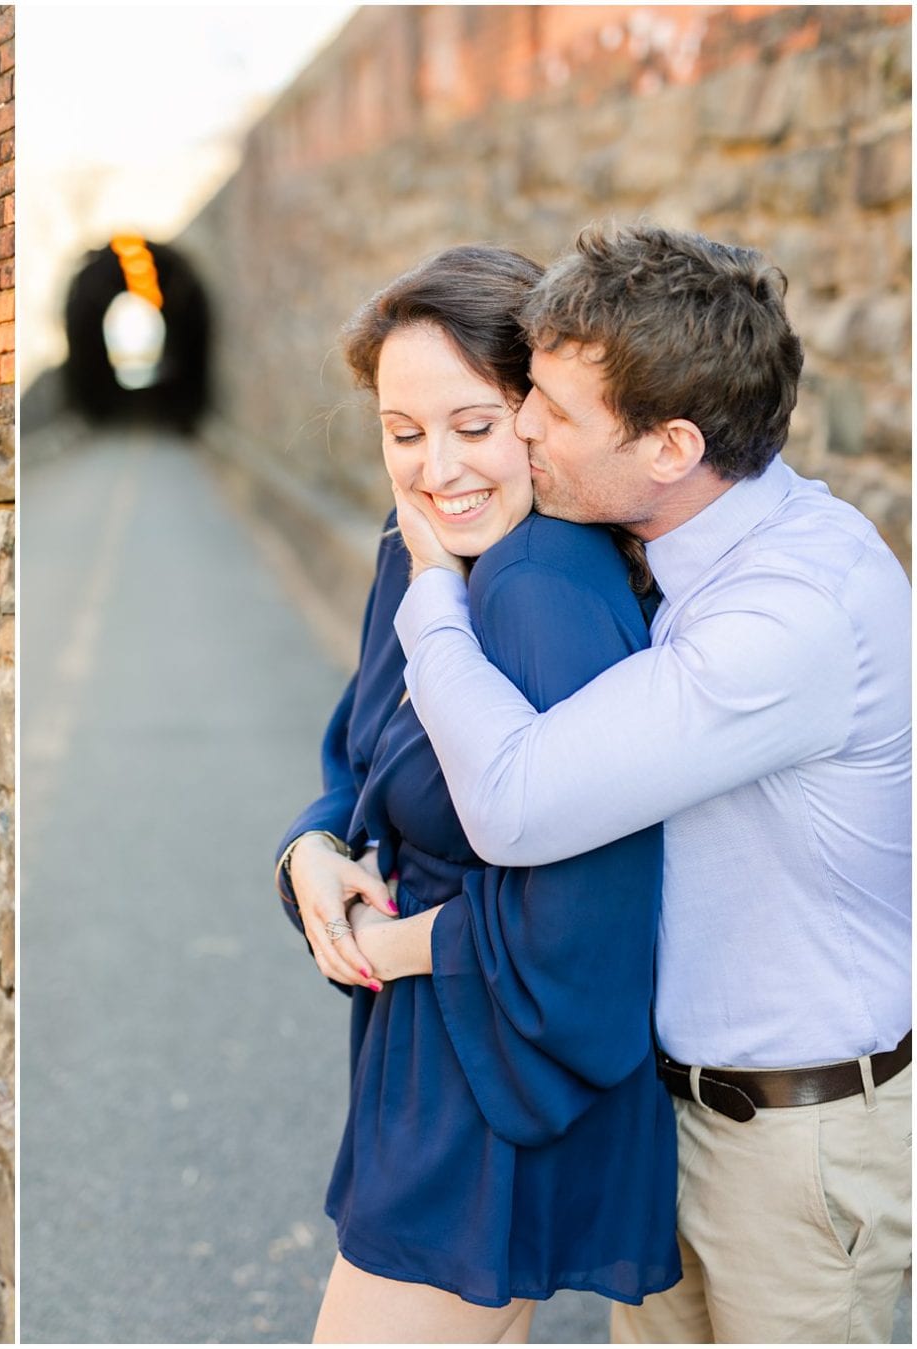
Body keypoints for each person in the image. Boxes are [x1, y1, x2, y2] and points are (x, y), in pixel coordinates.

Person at [387, 223, 911, 1344]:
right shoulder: (672, 544)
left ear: (671, 447)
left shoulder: (792, 610)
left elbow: (517, 800)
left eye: (555, 413)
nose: (521, 422)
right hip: (679, 1116)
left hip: (800, 1148)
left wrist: (433, 595)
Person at [276, 244, 680, 1341]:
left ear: (539, 417)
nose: (436, 468)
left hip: (502, 1065)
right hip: (429, 1047)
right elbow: (357, 759)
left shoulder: (545, 590)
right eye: (403, 434)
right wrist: (310, 853)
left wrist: (395, 942)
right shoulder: (418, 557)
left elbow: (597, 911)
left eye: (474, 424)